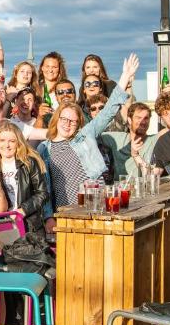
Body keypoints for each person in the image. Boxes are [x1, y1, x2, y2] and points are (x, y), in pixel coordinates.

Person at [38, 54, 139, 215]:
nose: (67, 124)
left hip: (96, 206)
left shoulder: (85, 135)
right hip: (66, 212)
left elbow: (109, 110)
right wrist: (49, 216)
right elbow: (44, 187)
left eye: (73, 121)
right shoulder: (44, 148)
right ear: (57, 119)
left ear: (79, 123)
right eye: (64, 119)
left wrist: (125, 76)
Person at [0, 122, 50, 234]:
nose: (6, 145)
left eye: (12, 141)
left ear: (18, 143)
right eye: (2, 140)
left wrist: (23, 210)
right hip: (3, 223)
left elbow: (43, 193)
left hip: (29, 223)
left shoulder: (29, 162)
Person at [100, 101, 159, 181]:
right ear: (130, 120)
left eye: (146, 118)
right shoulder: (117, 138)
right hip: (121, 189)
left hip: (143, 188)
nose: (143, 122)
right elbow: (91, 135)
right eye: (138, 118)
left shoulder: (155, 140)